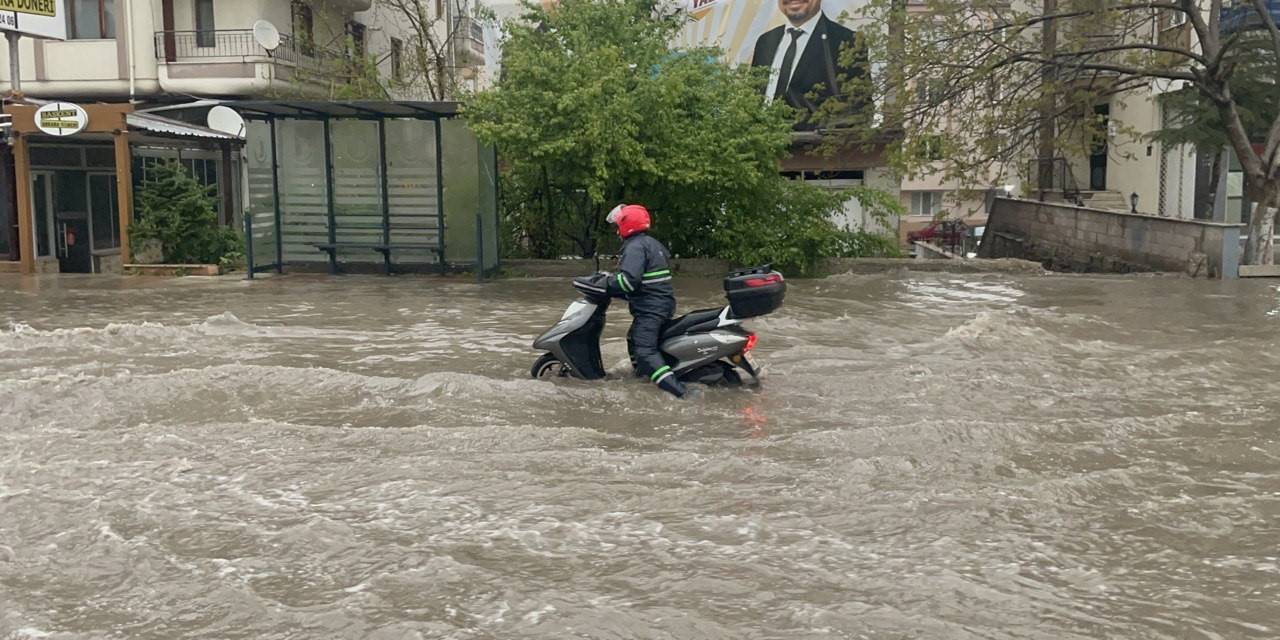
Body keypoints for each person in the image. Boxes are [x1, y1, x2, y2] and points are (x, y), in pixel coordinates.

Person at [603, 204, 686, 399]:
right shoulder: (651, 243)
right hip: (660, 303)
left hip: (651, 308)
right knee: (633, 337)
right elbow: (642, 282)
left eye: (618, 225)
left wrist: (605, 282)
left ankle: (680, 393)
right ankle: (642, 378)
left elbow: (628, 281)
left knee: (645, 352)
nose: (617, 230)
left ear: (626, 224)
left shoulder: (635, 247)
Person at [749, 0, 866, 125]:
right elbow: (753, 100)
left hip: (812, 142)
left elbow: (860, 109)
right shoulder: (765, 42)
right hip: (760, 141)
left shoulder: (845, 41)